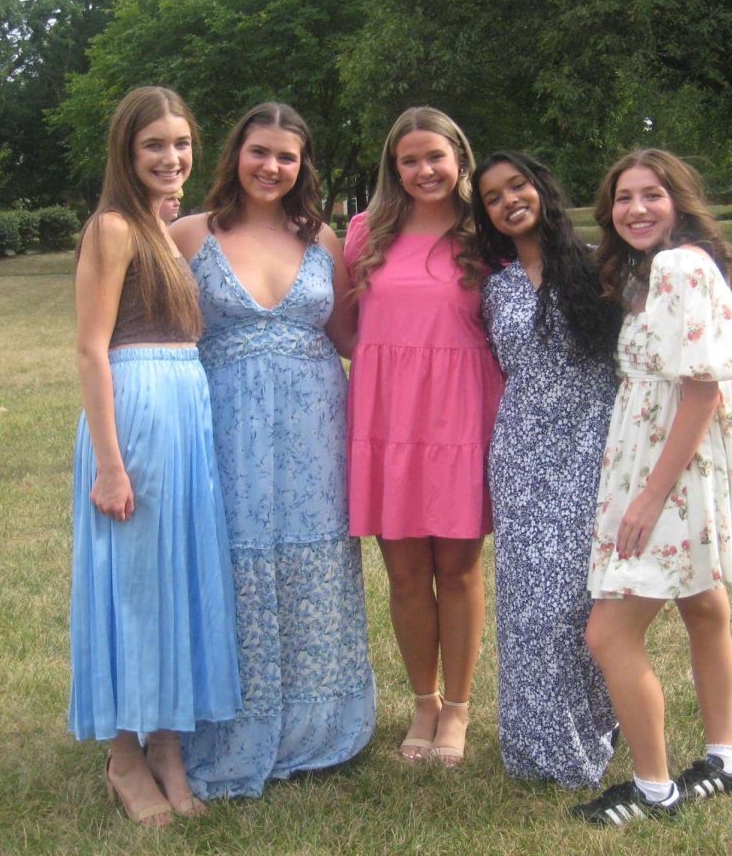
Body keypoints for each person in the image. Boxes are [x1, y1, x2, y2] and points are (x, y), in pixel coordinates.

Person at [569, 149, 732, 826]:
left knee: (609, 632)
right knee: (704, 607)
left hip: (670, 466)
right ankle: (725, 760)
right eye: (623, 198)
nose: (636, 209)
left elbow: (701, 389)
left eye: (652, 195)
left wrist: (650, 495)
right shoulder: (653, 270)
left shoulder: (679, 265)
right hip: (669, 456)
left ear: (680, 201)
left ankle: (654, 787)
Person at [170, 102, 375, 799]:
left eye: (286, 156)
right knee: (232, 562)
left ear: (301, 166)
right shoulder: (188, 234)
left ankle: (320, 723)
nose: (272, 167)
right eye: (260, 151)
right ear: (236, 155)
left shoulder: (320, 236)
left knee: (314, 559)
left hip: (316, 419)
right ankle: (229, 724)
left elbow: (349, 335)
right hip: (221, 421)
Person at [68, 86, 241, 827]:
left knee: (177, 580)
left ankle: (167, 743)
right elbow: (89, 347)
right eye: (154, 146)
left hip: (186, 408)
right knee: (132, 583)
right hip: (136, 407)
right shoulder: (111, 227)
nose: (171, 158)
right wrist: (110, 463)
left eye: (181, 144)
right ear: (126, 153)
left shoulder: (158, 225)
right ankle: (122, 754)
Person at [343, 107, 503, 766]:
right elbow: (340, 323)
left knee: (458, 568)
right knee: (405, 573)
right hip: (388, 422)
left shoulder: (488, 235)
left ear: (460, 159)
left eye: (435, 156)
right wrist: (387, 368)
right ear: (394, 168)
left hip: (463, 417)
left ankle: (460, 709)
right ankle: (424, 703)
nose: (424, 170)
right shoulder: (363, 233)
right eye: (410, 160)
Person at [470, 151, 622, 788]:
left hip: (593, 447)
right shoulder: (494, 286)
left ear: (541, 187)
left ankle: (588, 735)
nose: (509, 201)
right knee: (527, 606)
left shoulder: (597, 265)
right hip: (522, 455)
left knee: (577, 604)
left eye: (518, 185)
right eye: (493, 197)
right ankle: (532, 747)